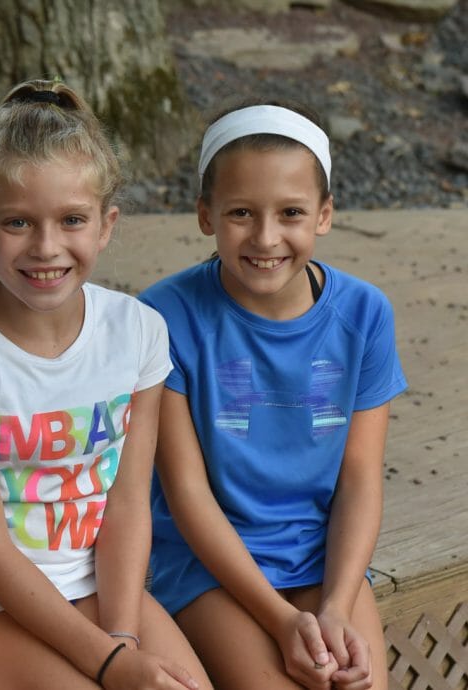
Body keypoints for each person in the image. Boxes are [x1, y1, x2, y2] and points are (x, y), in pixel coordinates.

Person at [0, 78, 212, 690]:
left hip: (106, 590)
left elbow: (125, 501)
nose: (47, 248)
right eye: (17, 222)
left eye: (71, 220)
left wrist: (121, 636)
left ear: (105, 224)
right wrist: (112, 664)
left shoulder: (138, 332)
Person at [139, 100, 407, 690]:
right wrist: (283, 619)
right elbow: (185, 492)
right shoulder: (166, 316)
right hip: (210, 567)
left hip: (323, 560)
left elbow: (360, 480)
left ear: (325, 214)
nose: (265, 237)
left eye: (291, 212)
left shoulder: (364, 314)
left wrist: (336, 604)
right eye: (241, 212)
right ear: (206, 214)